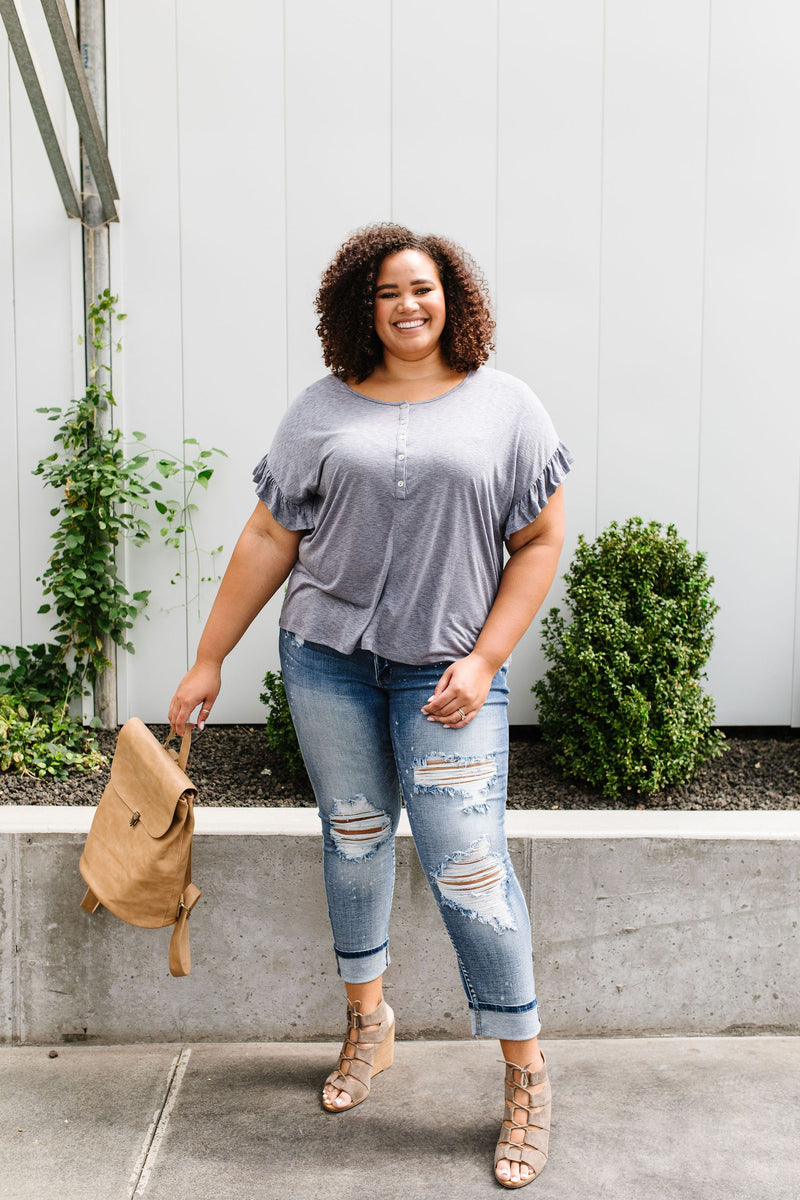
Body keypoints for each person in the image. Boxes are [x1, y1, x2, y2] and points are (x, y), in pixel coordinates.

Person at [169, 223, 573, 1188]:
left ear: (453, 299)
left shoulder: (507, 408)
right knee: (352, 837)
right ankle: (368, 1026)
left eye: (423, 288)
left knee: (469, 865)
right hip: (328, 660)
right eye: (388, 292)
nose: (407, 305)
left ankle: (526, 1073)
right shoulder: (319, 410)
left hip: (451, 676)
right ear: (363, 307)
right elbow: (271, 536)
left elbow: (541, 542)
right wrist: (207, 658)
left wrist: (485, 658)